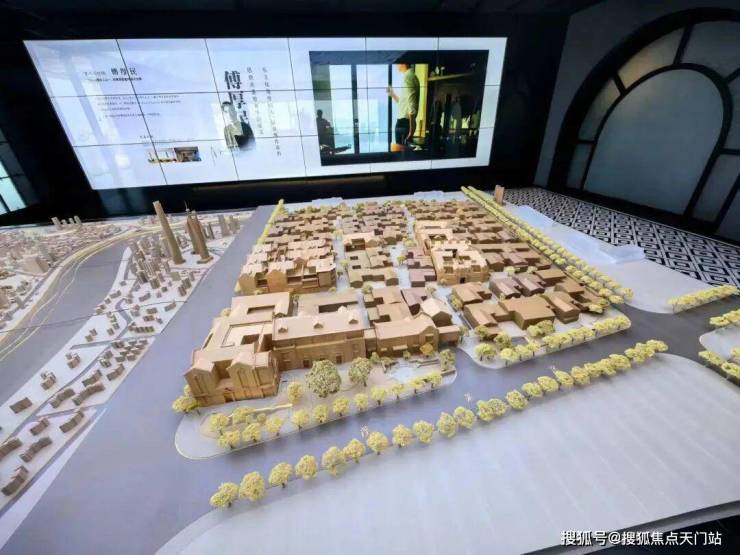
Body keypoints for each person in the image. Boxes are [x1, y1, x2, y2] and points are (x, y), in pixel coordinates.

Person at [387, 63, 419, 148]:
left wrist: (411, 132)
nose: (396, 66)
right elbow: (405, 103)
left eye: (397, 63)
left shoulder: (408, 77)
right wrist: (392, 94)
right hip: (405, 123)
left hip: (404, 123)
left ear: (403, 63)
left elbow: (412, 105)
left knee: (401, 152)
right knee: (403, 151)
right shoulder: (411, 76)